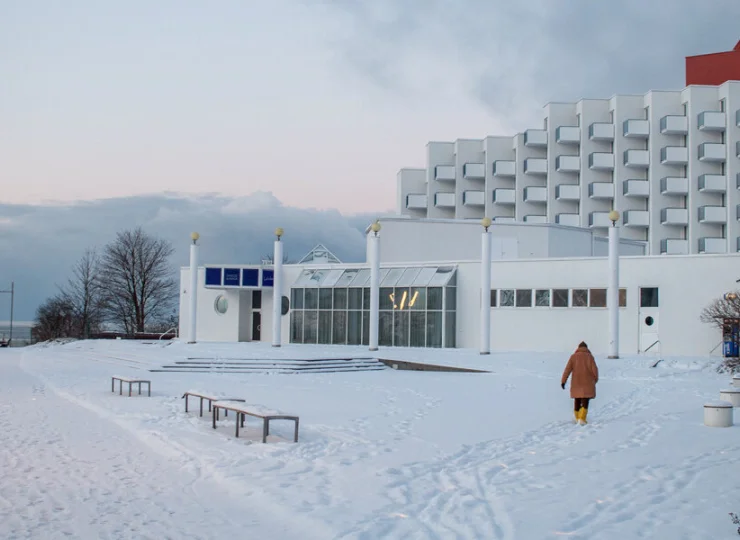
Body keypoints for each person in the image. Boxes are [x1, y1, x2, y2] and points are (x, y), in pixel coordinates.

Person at [561, 341, 599, 425]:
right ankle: (582, 418)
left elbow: (567, 370)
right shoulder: (590, 357)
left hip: (576, 382)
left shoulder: (573, 357)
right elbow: (595, 370)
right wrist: (595, 380)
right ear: (586, 348)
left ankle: (577, 417)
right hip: (588, 382)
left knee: (577, 399)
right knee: (585, 399)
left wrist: (563, 381)